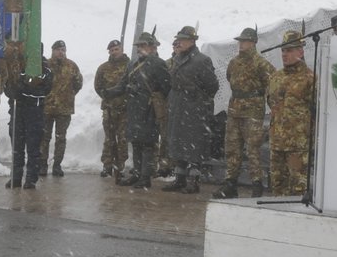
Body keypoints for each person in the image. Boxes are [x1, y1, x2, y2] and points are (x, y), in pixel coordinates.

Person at [108, 31, 171, 189]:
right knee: (136, 143)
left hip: (149, 109)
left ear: (151, 47)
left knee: (148, 144)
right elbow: (123, 84)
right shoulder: (133, 64)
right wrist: (110, 92)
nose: (139, 49)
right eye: (139, 46)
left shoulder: (158, 64)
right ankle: (136, 173)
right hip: (134, 108)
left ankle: (145, 177)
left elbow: (166, 87)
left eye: (142, 45)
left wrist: (147, 94)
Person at [217, 27, 275, 198]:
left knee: (253, 150)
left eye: (245, 41)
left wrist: (270, 105)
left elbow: (272, 83)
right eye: (240, 41)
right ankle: (230, 184)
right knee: (232, 148)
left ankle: (257, 185)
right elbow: (230, 79)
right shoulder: (234, 63)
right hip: (235, 110)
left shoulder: (261, 63)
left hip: (253, 113)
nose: (241, 44)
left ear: (253, 43)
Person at [161, 26, 217, 193]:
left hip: (194, 109)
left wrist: (195, 94)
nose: (180, 42)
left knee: (194, 147)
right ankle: (179, 179)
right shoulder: (177, 58)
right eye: (179, 39)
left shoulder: (202, 60)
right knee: (178, 144)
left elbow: (212, 86)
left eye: (183, 39)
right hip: (178, 107)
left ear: (192, 41)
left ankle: (193, 181)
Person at [265, 30, 315, 197]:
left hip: (298, 145)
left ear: (300, 51)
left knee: (298, 190)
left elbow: (316, 110)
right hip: (277, 142)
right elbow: (270, 102)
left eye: (289, 50)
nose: (285, 54)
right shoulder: (275, 77)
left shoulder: (310, 78)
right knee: (277, 188)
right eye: (283, 51)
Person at [4, 48, 53, 190]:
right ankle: (16, 177)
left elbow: (44, 89)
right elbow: (8, 86)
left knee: (33, 147)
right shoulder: (17, 66)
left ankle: (31, 179)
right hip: (17, 111)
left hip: (34, 112)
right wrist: (13, 90)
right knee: (17, 147)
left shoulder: (44, 69)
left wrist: (24, 89)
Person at [37, 40, 82, 178]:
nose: (61, 52)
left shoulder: (71, 66)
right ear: (52, 51)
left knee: (60, 138)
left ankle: (57, 165)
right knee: (44, 137)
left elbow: (78, 83)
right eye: (58, 50)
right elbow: (38, 82)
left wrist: (68, 95)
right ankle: (43, 165)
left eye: (63, 50)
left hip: (64, 109)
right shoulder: (46, 65)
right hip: (47, 107)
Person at [93, 39, 130, 182]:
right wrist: (107, 97)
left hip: (125, 109)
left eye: (117, 49)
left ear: (121, 49)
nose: (115, 52)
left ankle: (120, 166)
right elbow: (98, 86)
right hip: (109, 109)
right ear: (109, 51)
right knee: (109, 138)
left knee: (122, 139)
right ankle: (107, 165)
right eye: (112, 50)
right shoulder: (103, 68)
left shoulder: (130, 65)